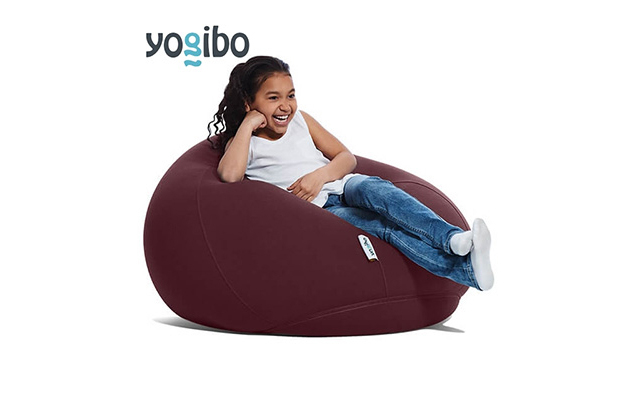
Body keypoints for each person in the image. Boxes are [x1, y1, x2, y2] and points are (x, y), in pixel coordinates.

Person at [207, 56, 494, 291]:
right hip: (319, 212)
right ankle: (466, 271)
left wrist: (319, 177)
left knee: (380, 192)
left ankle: (452, 238)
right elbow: (230, 176)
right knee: (382, 228)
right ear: (249, 103)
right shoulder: (245, 143)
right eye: (273, 98)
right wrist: (247, 124)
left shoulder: (301, 121)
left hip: (341, 185)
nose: (286, 106)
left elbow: (346, 158)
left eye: (291, 95)